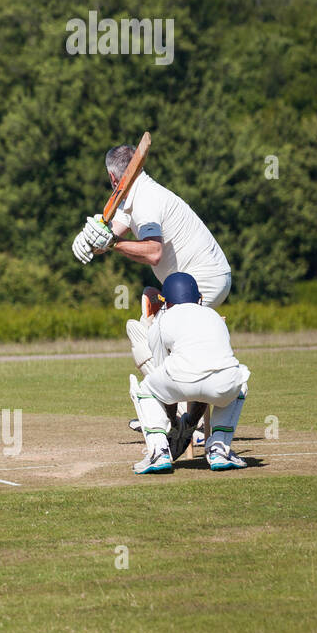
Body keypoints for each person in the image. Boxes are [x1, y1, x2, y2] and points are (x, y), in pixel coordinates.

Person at [73, 142, 233, 445]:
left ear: (111, 176)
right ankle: (170, 410)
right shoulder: (132, 198)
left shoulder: (146, 199)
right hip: (198, 278)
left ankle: (175, 417)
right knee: (149, 304)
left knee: (153, 335)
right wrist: (87, 239)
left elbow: (154, 252)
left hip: (205, 278)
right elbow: (110, 234)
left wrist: (112, 245)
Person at [127, 272, 250, 474]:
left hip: (179, 380)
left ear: (166, 301)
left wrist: (175, 423)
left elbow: (160, 374)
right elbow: (210, 370)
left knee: (146, 389)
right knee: (239, 381)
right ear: (198, 298)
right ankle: (219, 450)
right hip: (224, 384)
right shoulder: (214, 317)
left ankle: (159, 452)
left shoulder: (161, 320)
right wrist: (191, 420)